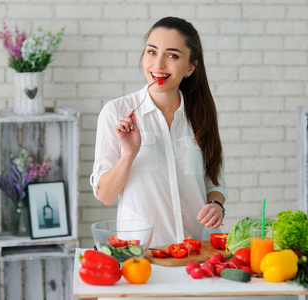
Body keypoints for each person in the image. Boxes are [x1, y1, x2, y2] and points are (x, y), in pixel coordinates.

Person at [90, 16, 227, 247]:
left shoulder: (200, 114)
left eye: (172, 55)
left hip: (197, 251)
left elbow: (214, 181)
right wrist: (128, 155)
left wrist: (216, 206)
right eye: (152, 52)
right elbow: (105, 195)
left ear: (190, 68)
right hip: (142, 253)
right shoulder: (115, 112)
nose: (158, 65)